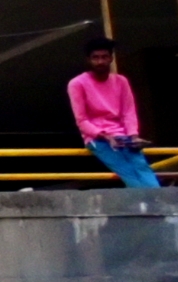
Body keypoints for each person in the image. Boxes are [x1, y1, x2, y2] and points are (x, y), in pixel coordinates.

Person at [66, 40, 158, 187]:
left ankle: (158, 205)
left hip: (124, 137)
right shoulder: (77, 83)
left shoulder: (121, 81)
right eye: (96, 57)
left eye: (104, 57)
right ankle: (150, 207)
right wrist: (106, 136)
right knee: (128, 172)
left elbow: (128, 112)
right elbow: (82, 120)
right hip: (98, 139)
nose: (100, 61)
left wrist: (133, 136)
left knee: (142, 168)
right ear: (89, 60)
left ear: (111, 58)